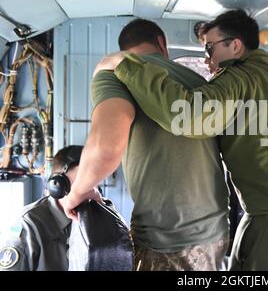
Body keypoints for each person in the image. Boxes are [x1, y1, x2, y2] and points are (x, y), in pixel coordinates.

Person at [86, 9, 268, 271]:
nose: (207, 60)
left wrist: (125, 65)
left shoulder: (239, 78)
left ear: (235, 46)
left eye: (210, 49)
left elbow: (188, 118)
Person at [61, 19, 229, 271]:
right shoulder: (196, 79)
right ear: (161, 43)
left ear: (124, 49)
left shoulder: (112, 72)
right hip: (216, 233)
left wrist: (77, 192)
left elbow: (106, 145)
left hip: (168, 240)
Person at [0, 145, 97, 271]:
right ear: (57, 185)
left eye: (93, 180)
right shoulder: (28, 224)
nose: (90, 188)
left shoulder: (95, 216)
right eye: (82, 181)